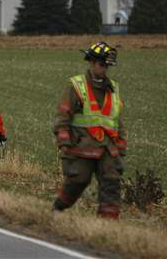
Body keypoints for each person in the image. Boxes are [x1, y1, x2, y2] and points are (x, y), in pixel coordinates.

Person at [52, 42, 127, 219]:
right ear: (92, 63)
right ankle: (58, 208)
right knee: (78, 181)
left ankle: (107, 225)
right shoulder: (76, 86)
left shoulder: (113, 89)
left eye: (107, 65)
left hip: (107, 148)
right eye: (102, 64)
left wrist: (121, 145)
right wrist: (63, 140)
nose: (105, 69)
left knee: (112, 182)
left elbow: (117, 119)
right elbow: (63, 114)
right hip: (81, 145)